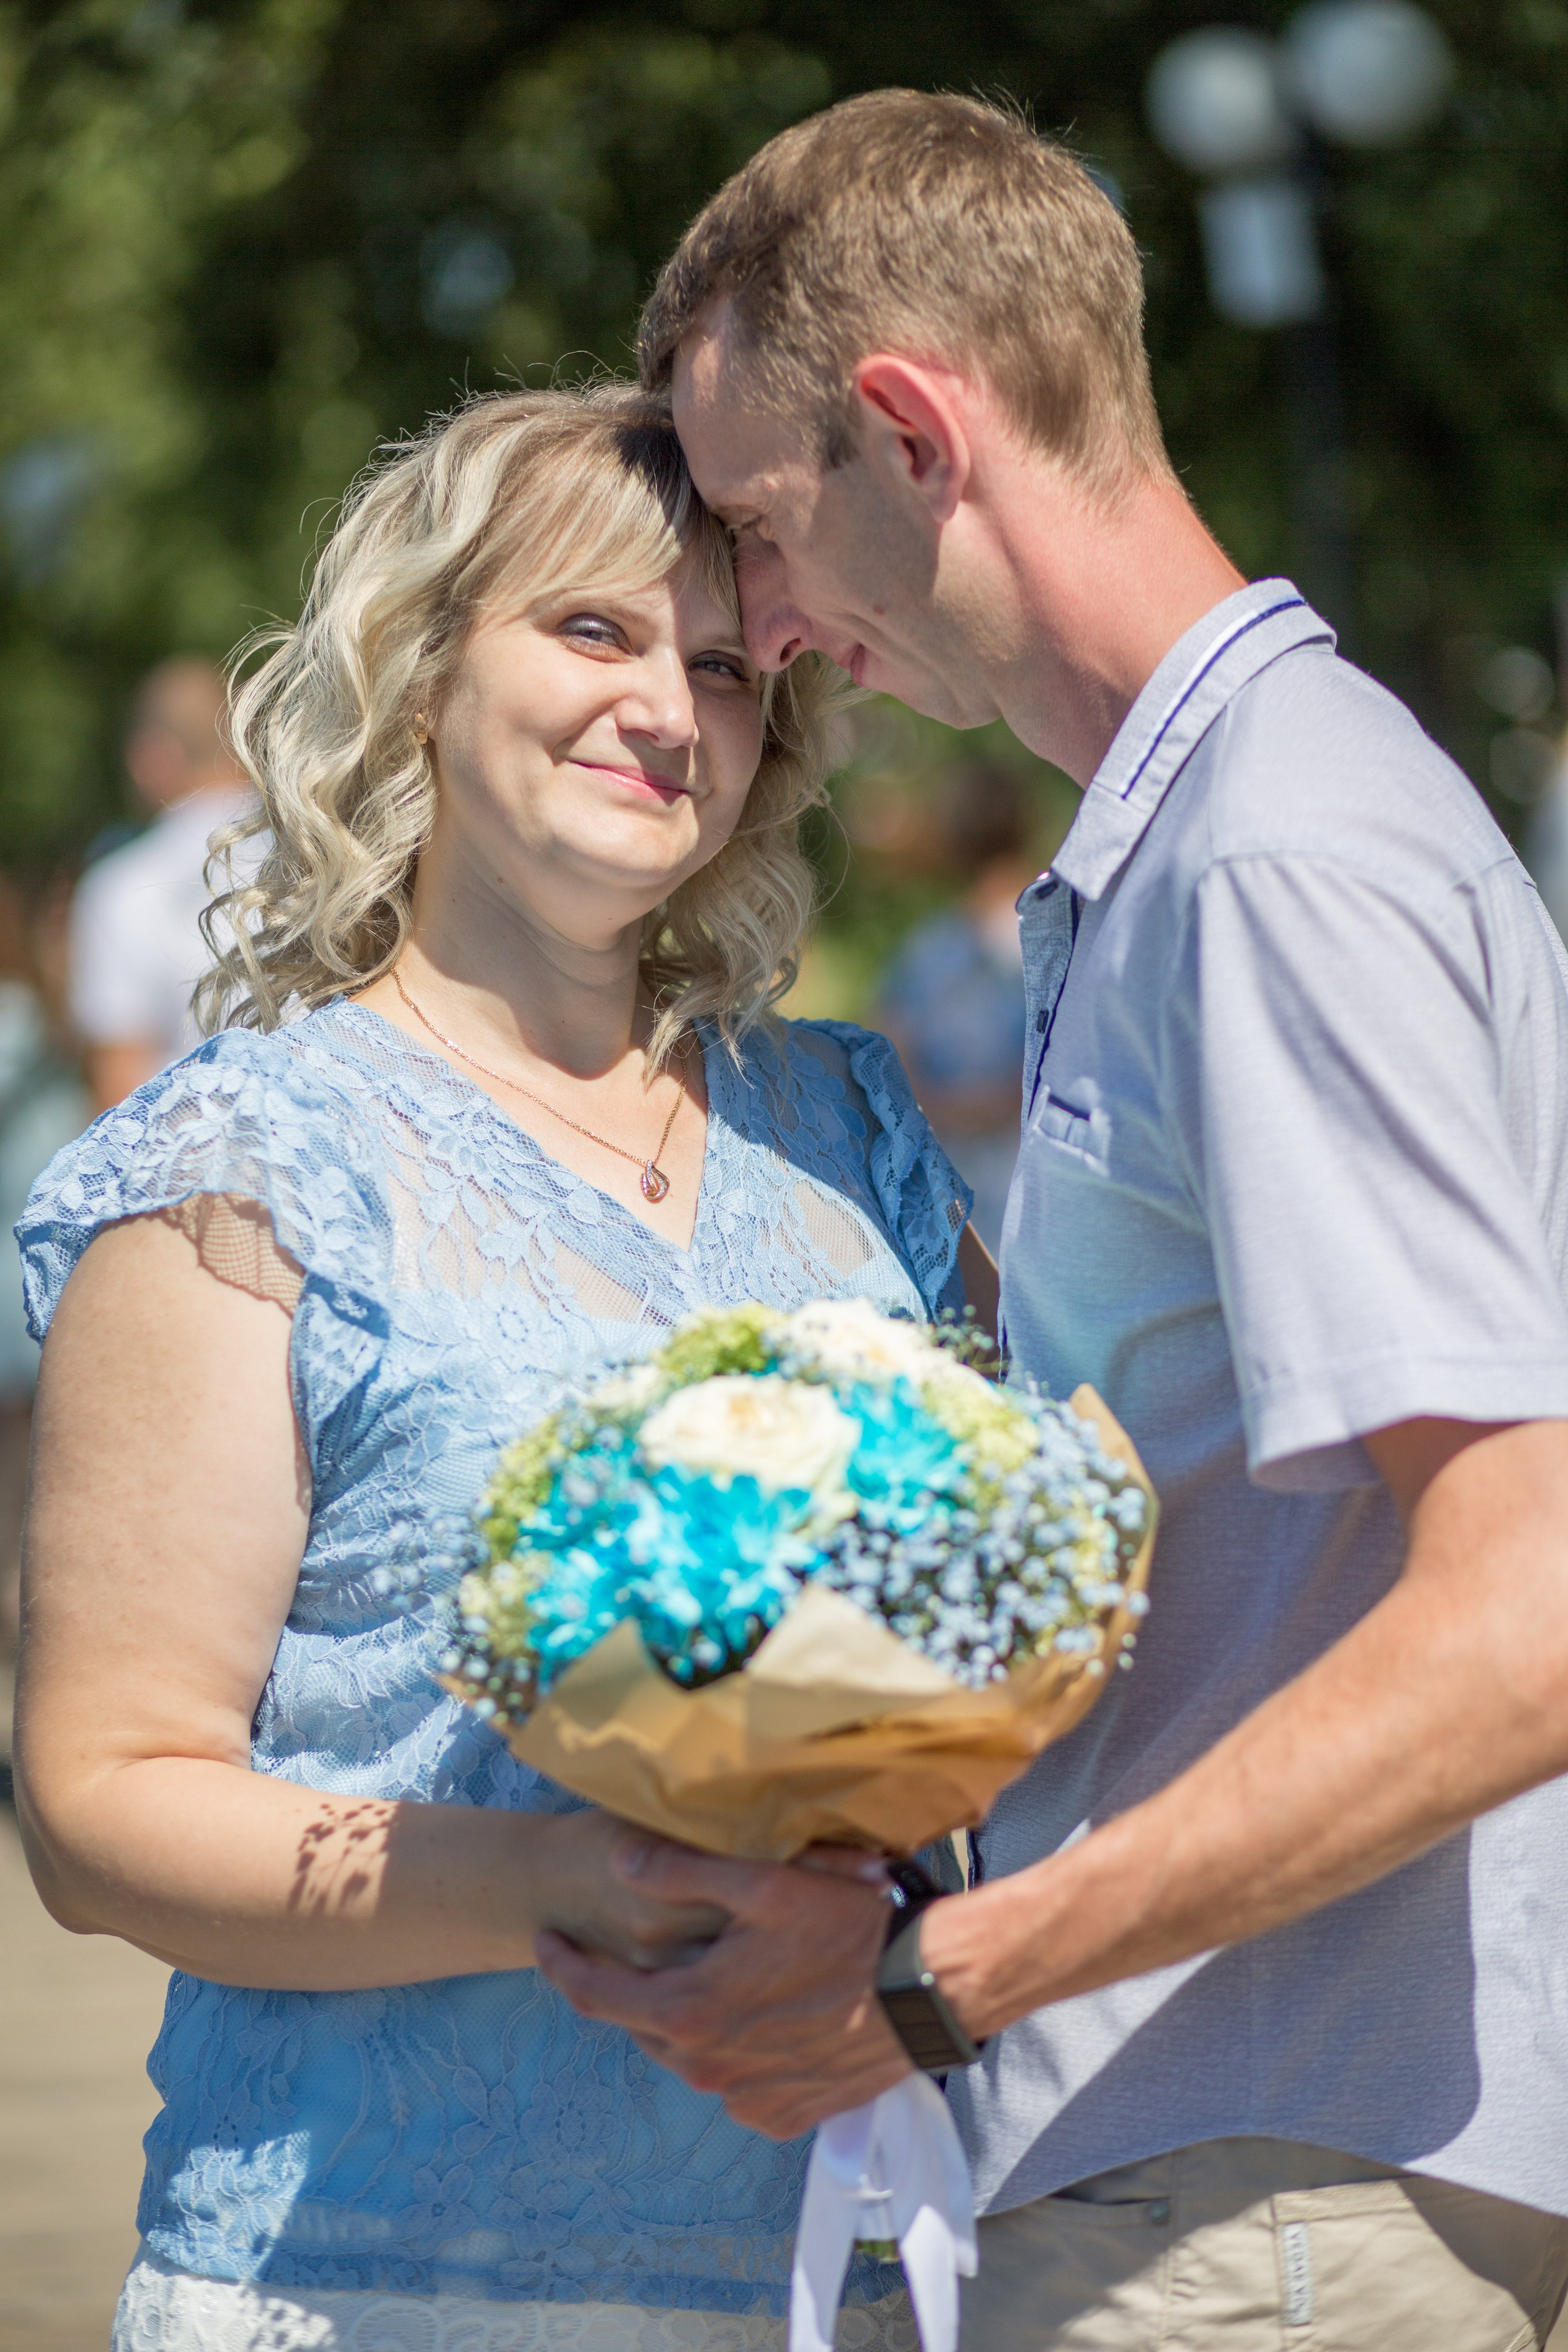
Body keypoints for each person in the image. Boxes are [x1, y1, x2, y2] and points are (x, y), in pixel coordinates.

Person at [530, 92, 1568, 2351]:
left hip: (1254, 2201)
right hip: (1224, 2176)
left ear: (915, 436)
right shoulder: (1217, 828)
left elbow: (1525, 1615)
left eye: (757, 524)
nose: (765, 626)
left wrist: (940, 1978)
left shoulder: (1272, 852)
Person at [12, 385, 993, 2349]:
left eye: (723, 666)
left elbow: (1021, 1582)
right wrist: (581, 1878)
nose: (667, 710)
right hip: (380, 2282)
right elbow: (103, 1798)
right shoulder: (249, 1167)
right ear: (422, 665)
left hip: (856, 2256)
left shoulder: (851, 1130)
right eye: (593, 629)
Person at [69, 655, 254, 1113]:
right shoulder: (320, 856)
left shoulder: (119, 886)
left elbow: (119, 1091)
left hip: (195, 1146)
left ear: (155, 756)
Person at [872, 767, 1033, 1253]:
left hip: (946, 1191)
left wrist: (944, 1108)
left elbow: (887, 1060)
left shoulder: (928, 950)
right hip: (1033, 1190)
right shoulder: (1052, 941)